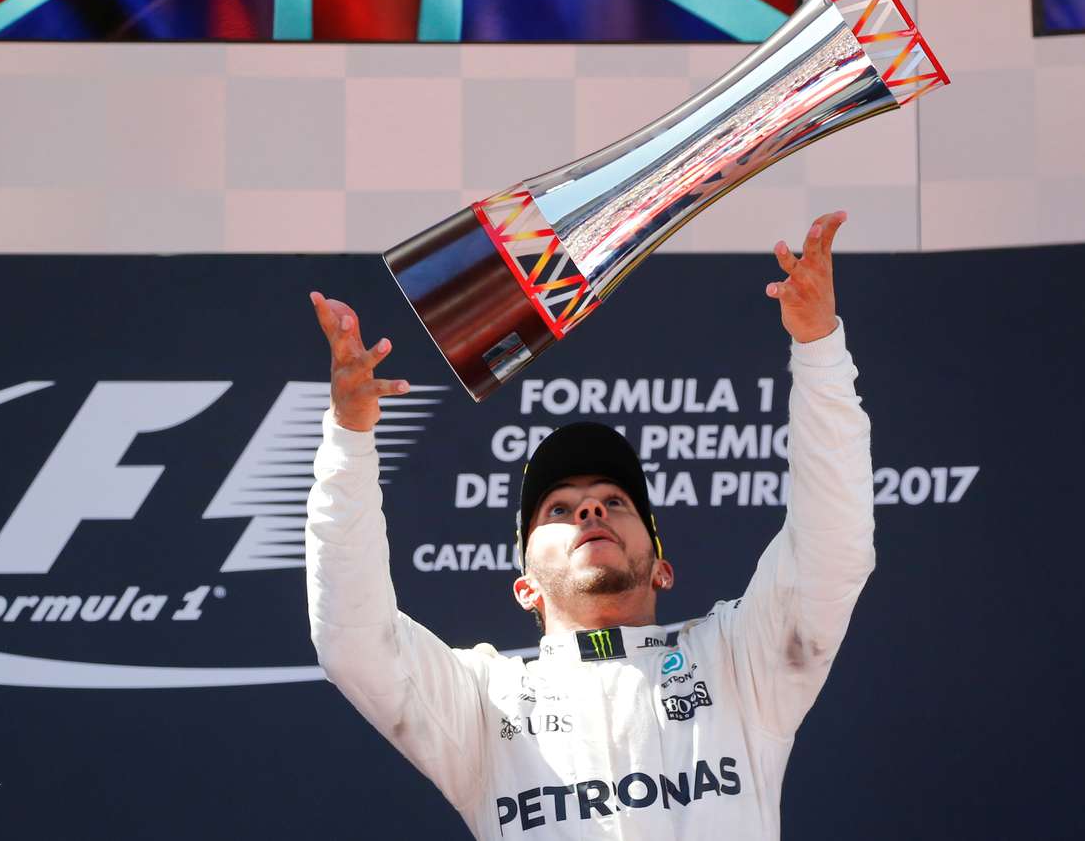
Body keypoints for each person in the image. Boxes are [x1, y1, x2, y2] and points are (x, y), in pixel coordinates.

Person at [305, 211, 874, 839]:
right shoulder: (483, 705)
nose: (590, 510)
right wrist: (349, 438)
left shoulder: (739, 664)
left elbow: (833, 547)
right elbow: (353, 639)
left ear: (662, 569)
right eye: (559, 509)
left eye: (614, 501)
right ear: (525, 586)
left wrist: (819, 347)